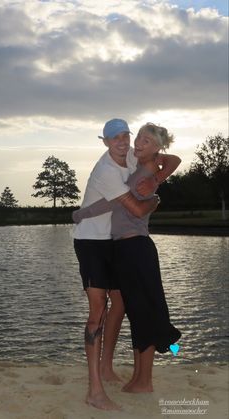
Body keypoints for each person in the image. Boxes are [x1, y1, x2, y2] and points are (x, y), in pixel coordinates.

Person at [73, 119, 180, 410]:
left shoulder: (133, 157)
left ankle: (110, 369)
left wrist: (157, 181)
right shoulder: (108, 169)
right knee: (101, 310)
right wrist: (154, 199)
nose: (124, 142)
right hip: (93, 242)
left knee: (123, 305)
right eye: (115, 138)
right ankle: (96, 390)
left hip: (120, 244)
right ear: (105, 142)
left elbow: (171, 158)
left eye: (127, 136)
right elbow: (130, 206)